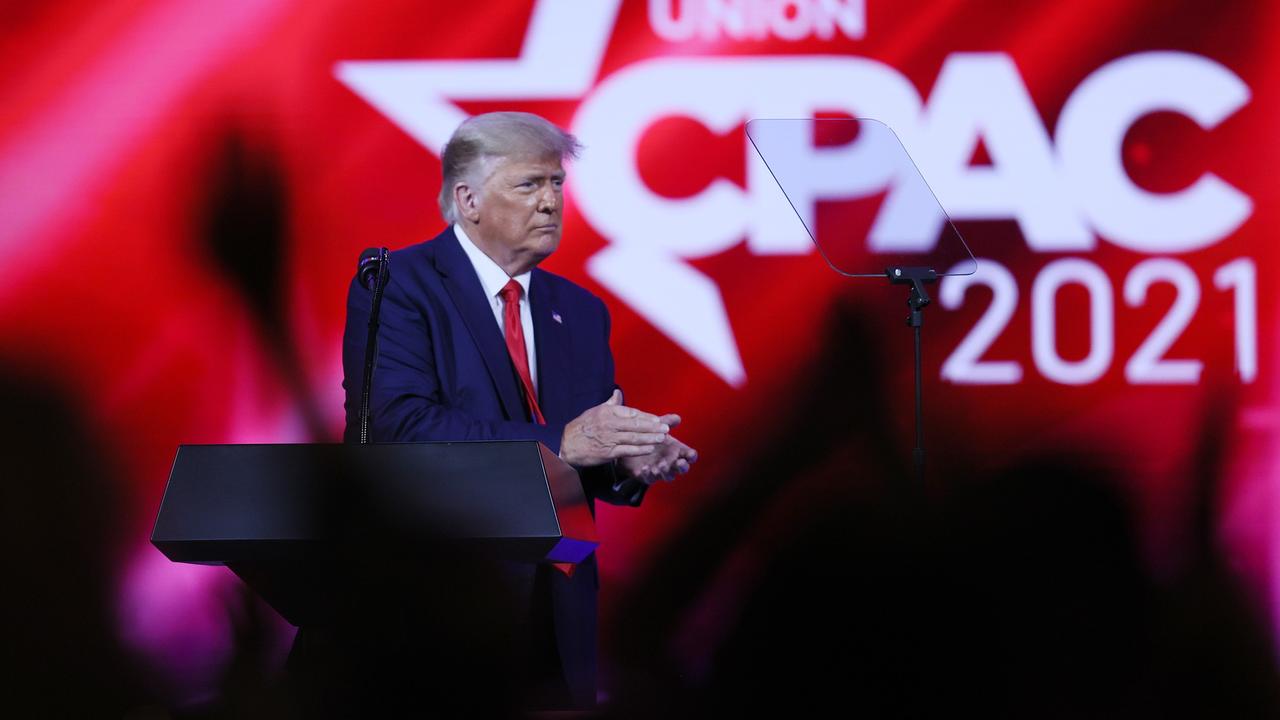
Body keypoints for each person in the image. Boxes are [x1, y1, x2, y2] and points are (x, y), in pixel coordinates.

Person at [341, 111, 697, 708]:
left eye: (556, 184)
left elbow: (582, 451)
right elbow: (396, 430)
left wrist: (629, 458)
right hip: (446, 594)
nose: (550, 202)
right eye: (528, 185)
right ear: (468, 200)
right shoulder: (398, 284)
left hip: (560, 598)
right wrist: (568, 441)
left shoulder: (582, 311)